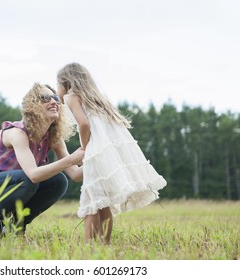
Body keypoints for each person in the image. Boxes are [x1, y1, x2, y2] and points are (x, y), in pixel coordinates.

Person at [56, 62, 167, 244]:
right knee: (103, 201)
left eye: (57, 85)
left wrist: (85, 148)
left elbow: (84, 124)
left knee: (92, 202)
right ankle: (105, 244)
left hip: (96, 152)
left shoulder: (71, 97)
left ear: (66, 83)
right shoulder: (98, 98)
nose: (56, 90)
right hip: (109, 152)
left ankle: (88, 246)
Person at [0, 83, 84, 238]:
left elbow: (75, 174)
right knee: (28, 179)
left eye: (55, 98)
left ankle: (16, 227)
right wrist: (70, 160)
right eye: (45, 98)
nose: (54, 101)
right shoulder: (17, 133)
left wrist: (96, 159)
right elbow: (33, 175)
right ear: (33, 105)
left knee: (59, 181)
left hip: (16, 183)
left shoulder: (53, 137)